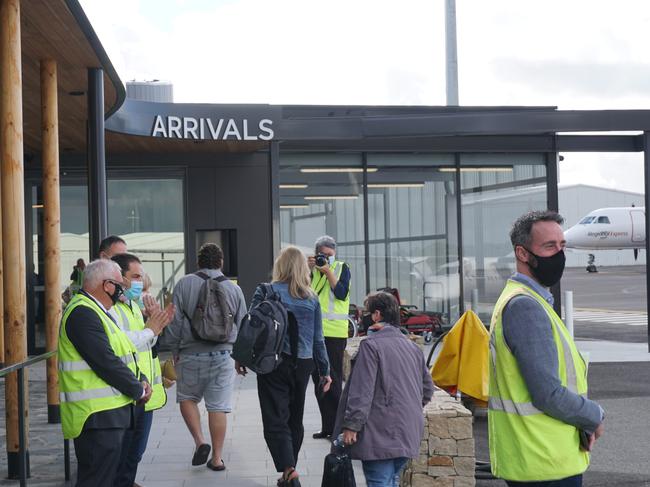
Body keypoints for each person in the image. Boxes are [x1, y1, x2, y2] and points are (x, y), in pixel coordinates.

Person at [489, 211, 605, 486]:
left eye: (562, 246)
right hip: (544, 462)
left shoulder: (525, 300)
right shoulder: (525, 307)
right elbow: (547, 394)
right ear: (523, 253)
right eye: (549, 247)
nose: (559, 255)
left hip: (539, 457)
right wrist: (594, 416)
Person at [237, 246, 332, 487]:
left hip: (273, 362)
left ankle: (289, 470)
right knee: (294, 417)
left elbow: (251, 326)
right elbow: (318, 339)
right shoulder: (311, 298)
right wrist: (325, 371)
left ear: (280, 266)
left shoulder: (266, 290)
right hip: (303, 364)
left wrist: (241, 356)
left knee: (274, 417)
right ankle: (290, 470)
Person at [57, 259, 152, 487]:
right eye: (121, 283)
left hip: (107, 415)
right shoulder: (83, 312)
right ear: (107, 285)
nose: (125, 288)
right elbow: (105, 361)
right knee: (97, 481)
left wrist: (141, 379)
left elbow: (121, 353)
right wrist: (137, 389)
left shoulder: (99, 312)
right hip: (97, 418)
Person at [159, 243, 246, 471]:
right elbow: (243, 323)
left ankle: (200, 442)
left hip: (190, 353)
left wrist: (175, 351)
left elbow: (174, 321)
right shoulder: (233, 288)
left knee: (187, 398)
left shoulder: (184, 284)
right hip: (224, 354)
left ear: (198, 262)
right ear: (221, 262)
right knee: (218, 406)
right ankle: (217, 459)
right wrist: (240, 356)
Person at [333, 291, 434, 487]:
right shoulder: (412, 348)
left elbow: (362, 391)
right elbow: (427, 389)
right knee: (392, 481)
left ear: (377, 315)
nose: (364, 317)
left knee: (380, 482)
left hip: (380, 436)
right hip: (408, 432)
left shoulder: (371, 346)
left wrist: (351, 426)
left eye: (367, 312)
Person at [111, 253, 174, 487]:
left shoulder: (133, 307)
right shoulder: (112, 310)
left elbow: (147, 343)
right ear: (120, 278)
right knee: (123, 456)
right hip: (124, 394)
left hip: (143, 393)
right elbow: (117, 345)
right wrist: (151, 330)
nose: (140, 281)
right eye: (135, 276)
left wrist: (156, 327)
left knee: (135, 453)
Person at [308, 235, 351, 439]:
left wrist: (328, 272)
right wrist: (307, 269)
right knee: (318, 380)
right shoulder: (311, 271)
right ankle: (327, 426)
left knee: (332, 381)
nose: (325, 259)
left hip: (334, 333)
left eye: (329, 256)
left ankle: (338, 428)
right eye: (322, 256)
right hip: (314, 333)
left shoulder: (342, 268)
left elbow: (341, 293)